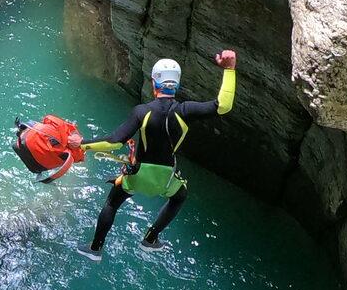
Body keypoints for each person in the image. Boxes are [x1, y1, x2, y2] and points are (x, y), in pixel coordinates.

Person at [77, 48, 237, 258]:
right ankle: (150, 239)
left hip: (138, 176)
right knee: (180, 197)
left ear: (154, 83)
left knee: (112, 202)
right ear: (177, 85)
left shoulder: (142, 111)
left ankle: (95, 248)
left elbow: (114, 142)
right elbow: (223, 106)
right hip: (166, 179)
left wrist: (82, 144)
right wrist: (230, 70)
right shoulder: (186, 110)